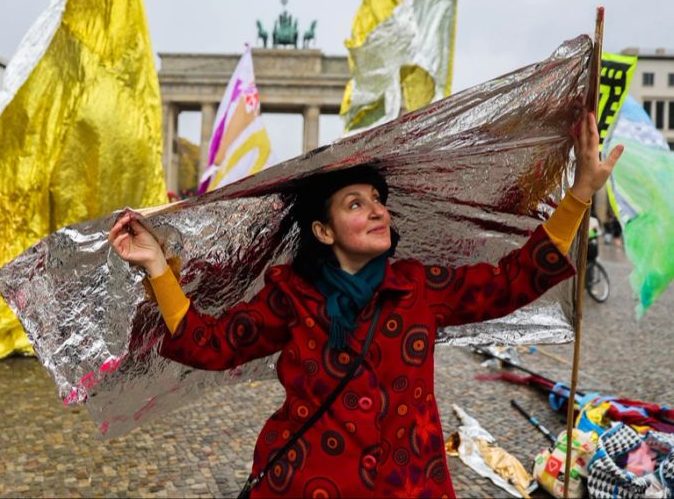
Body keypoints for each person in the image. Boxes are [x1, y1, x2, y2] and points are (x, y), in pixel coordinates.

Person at [108, 113, 623, 498]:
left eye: (378, 200)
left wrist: (578, 195)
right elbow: (210, 345)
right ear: (323, 230)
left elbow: (512, 281)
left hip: (411, 485)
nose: (378, 210)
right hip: (309, 484)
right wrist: (157, 265)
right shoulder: (291, 296)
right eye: (356, 203)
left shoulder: (420, 286)